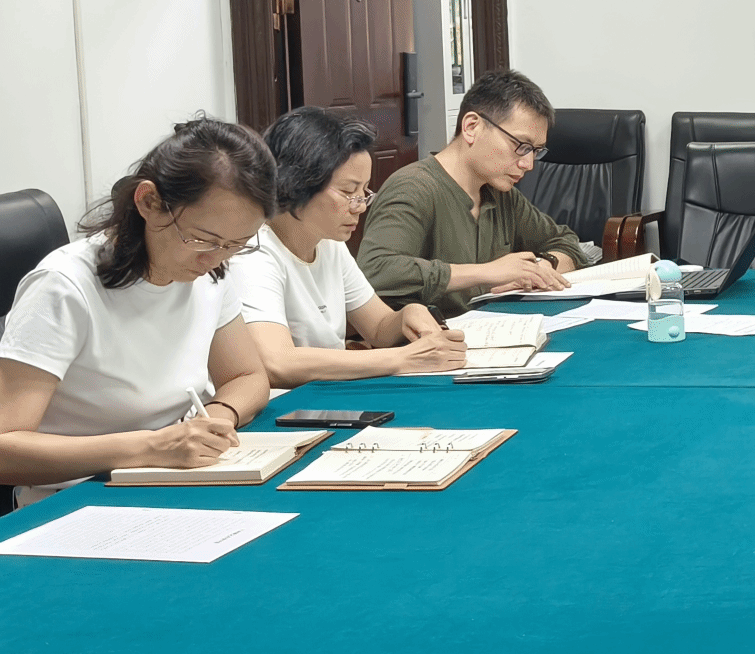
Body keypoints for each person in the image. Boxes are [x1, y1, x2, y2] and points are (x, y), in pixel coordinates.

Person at [0, 115, 276, 508]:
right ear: (149, 202)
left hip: (172, 480)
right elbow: (5, 449)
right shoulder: (64, 286)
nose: (215, 259)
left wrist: (217, 416)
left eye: (238, 244)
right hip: (76, 498)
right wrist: (150, 447)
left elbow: (247, 376)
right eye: (202, 239)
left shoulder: (209, 272)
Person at [234, 107, 468, 386]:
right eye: (348, 192)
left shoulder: (328, 242)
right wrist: (403, 358)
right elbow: (277, 363)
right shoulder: (253, 253)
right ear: (295, 184)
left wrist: (409, 314)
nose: (360, 206)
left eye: (363, 192)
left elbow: (378, 328)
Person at [358, 68, 584, 315]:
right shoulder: (413, 188)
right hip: (431, 335)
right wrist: (486, 273)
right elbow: (376, 270)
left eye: (535, 151)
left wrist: (540, 267)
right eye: (520, 145)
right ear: (471, 127)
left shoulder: (501, 193)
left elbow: (567, 243)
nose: (528, 164)